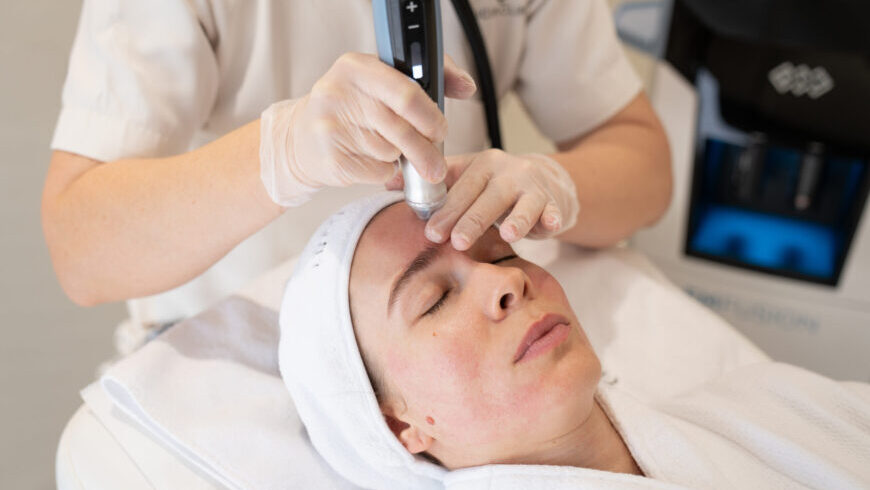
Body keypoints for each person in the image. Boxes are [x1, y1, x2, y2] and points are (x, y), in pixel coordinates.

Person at [42, 0, 671, 345]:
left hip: (454, 351)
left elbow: (644, 166)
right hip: (241, 354)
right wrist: (278, 155)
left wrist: (554, 184)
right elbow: (80, 252)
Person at [280, 192, 870, 489]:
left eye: (503, 253)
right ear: (396, 425)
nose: (508, 280)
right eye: (434, 298)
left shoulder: (772, 401)